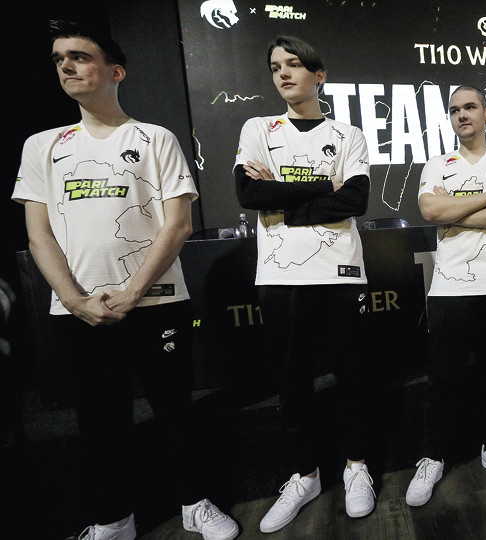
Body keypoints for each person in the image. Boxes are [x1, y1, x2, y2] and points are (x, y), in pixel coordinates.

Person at [13, 20, 238, 540]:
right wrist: (74, 300)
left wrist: (134, 292)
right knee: (100, 421)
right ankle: (113, 520)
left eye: (79, 56)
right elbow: (38, 234)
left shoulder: (154, 138)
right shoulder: (42, 145)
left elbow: (177, 225)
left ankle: (195, 504)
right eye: (58, 59)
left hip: (157, 303)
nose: (66, 66)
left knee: (175, 412)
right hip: (80, 311)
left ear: (115, 71)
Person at [234, 36, 376, 532]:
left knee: (350, 375)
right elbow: (250, 192)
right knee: (292, 382)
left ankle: (356, 466)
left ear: (319, 75)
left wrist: (285, 201)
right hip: (280, 275)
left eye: (294, 64)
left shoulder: (348, 134)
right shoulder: (258, 128)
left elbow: (355, 200)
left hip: (340, 271)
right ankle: (306, 474)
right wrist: (321, 187)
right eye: (276, 66)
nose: (283, 73)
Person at [404, 85, 486, 506]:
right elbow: (430, 211)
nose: (462, 115)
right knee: (443, 378)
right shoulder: (437, 164)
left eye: (470, 107)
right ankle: (433, 456)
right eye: (455, 109)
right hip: (450, 285)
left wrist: (456, 213)